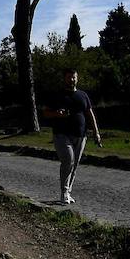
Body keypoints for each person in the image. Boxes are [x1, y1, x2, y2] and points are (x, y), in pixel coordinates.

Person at [38, 69, 101, 204]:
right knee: (68, 160)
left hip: (81, 135)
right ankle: (64, 192)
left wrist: (96, 132)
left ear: (77, 79)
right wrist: (57, 114)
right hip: (61, 134)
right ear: (64, 79)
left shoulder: (83, 95)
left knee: (75, 164)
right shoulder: (57, 95)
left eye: (74, 77)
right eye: (69, 77)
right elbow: (45, 113)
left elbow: (90, 114)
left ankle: (68, 192)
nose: (71, 80)